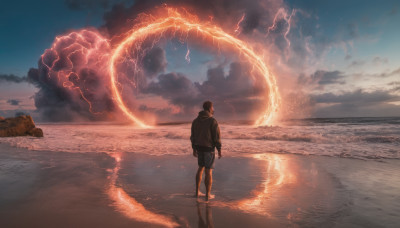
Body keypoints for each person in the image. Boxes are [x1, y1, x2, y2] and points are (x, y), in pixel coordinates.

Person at [191, 101, 222, 201]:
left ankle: (197, 192)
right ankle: (208, 195)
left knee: (200, 168)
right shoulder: (212, 121)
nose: (213, 109)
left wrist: (194, 148)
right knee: (208, 172)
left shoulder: (195, 121)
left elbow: (193, 137)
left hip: (199, 148)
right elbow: (216, 137)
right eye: (212, 107)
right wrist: (219, 149)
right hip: (209, 149)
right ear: (209, 108)